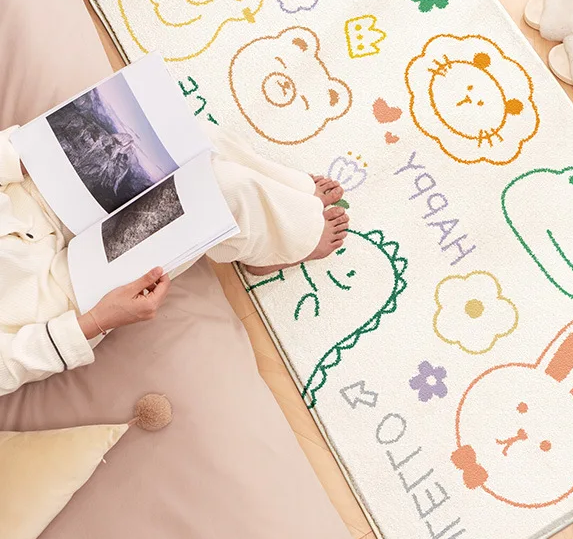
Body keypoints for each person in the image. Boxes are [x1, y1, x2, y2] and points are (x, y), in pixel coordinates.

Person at [0, 121, 349, 396]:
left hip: (30, 201)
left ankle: (288, 205)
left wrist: (28, 157)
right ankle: (288, 238)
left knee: (187, 135)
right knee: (219, 189)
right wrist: (99, 320)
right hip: (62, 288)